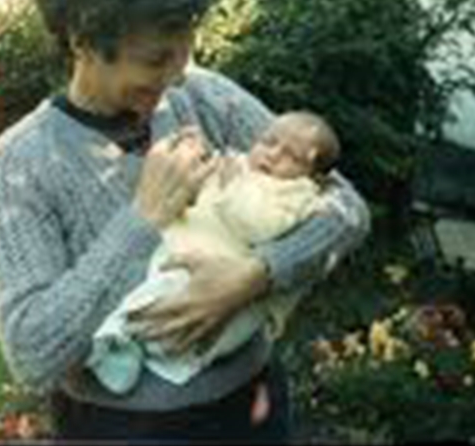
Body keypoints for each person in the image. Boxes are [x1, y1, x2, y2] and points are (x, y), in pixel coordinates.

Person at [0, 0, 371, 443]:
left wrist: (255, 276)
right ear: (82, 41)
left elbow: (347, 208)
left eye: (185, 52)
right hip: (125, 430)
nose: (178, 75)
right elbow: (33, 352)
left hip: (253, 407)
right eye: (156, 58)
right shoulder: (21, 161)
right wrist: (143, 218)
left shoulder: (202, 97)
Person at [87, 111, 343, 395]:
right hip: (180, 247)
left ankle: (137, 349)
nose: (272, 155)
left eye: (291, 156)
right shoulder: (239, 163)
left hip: (223, 272)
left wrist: (231, 184)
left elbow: (260, 226)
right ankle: (121, 339)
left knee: (194, 320)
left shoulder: (297, 194)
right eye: (269, 142)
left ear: (314, 174)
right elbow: (196, 187)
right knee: (147, 292)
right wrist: (198, 159)